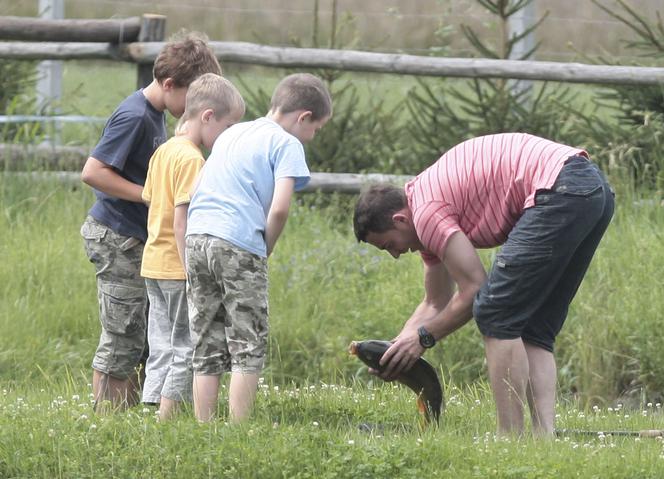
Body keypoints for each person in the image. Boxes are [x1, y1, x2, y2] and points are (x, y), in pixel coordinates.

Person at [352, 133, 614, 436]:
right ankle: (544, 438)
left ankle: (510, 439)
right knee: (534, 327)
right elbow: (435, 301)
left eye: (388, 246)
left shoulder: (426, 212)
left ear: (399, 220)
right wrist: (397, 349)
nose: (396, 254)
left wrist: (424, 339)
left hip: (560, 189)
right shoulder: (424, 212)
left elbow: (475, 288)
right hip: (591, 191)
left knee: (495, 312)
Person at [80, 31, 222, 411]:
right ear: (170, 84)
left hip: (138, 241)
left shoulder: (157, 116)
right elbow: (93, 172)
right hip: (115, 237)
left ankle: (132, 413)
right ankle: (105, 417)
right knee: (122, 332)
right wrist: (148, 194)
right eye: (191, 96)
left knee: (144, 336)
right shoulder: (134, 116)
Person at [185, 73, 332, 422]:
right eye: (317, 129)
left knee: (206, 338)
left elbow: (197, 187)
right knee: (246, 341)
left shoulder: (232, 132)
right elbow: (280, 207)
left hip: (197, 236)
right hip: (238, 242)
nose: (313, 137)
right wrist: (264, 247)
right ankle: (238, 429)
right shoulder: (286, 144)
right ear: (304, 117)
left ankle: (202, 425)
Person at [140, 73, 245, 421]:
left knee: (161, 344)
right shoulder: (192, 160)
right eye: (228, 126)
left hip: (153, 263)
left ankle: (152, 405)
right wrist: (193, 272)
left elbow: (150, 200)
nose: (229, 136)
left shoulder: (164, 151)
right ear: (208, 116)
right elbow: (182, 219)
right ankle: (167, 416)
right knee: (187, 344)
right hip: (176, 266)